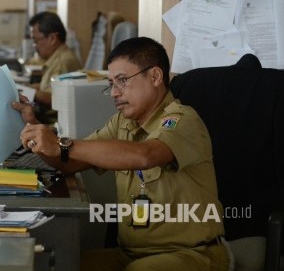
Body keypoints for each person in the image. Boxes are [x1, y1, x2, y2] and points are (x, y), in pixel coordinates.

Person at [12, 37, 229, 271]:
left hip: (191, 254)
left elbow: (146, 155)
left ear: (155, 76)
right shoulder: (122, 124)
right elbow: (69, 163)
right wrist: (35, 129)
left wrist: (62, 144)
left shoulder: (182, 120)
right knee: (58, 265)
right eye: (111, 84)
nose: (115, 93)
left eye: (123, 81)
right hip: (129, 255)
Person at [27, 11, 82, 124]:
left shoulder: (64, 62)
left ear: (52, 38)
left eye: (36, 40)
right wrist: (24, 88)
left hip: (54, 125)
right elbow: (46, 87)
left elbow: (57, 98)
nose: (35, 46)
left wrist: (28, 91)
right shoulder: (57, 58)